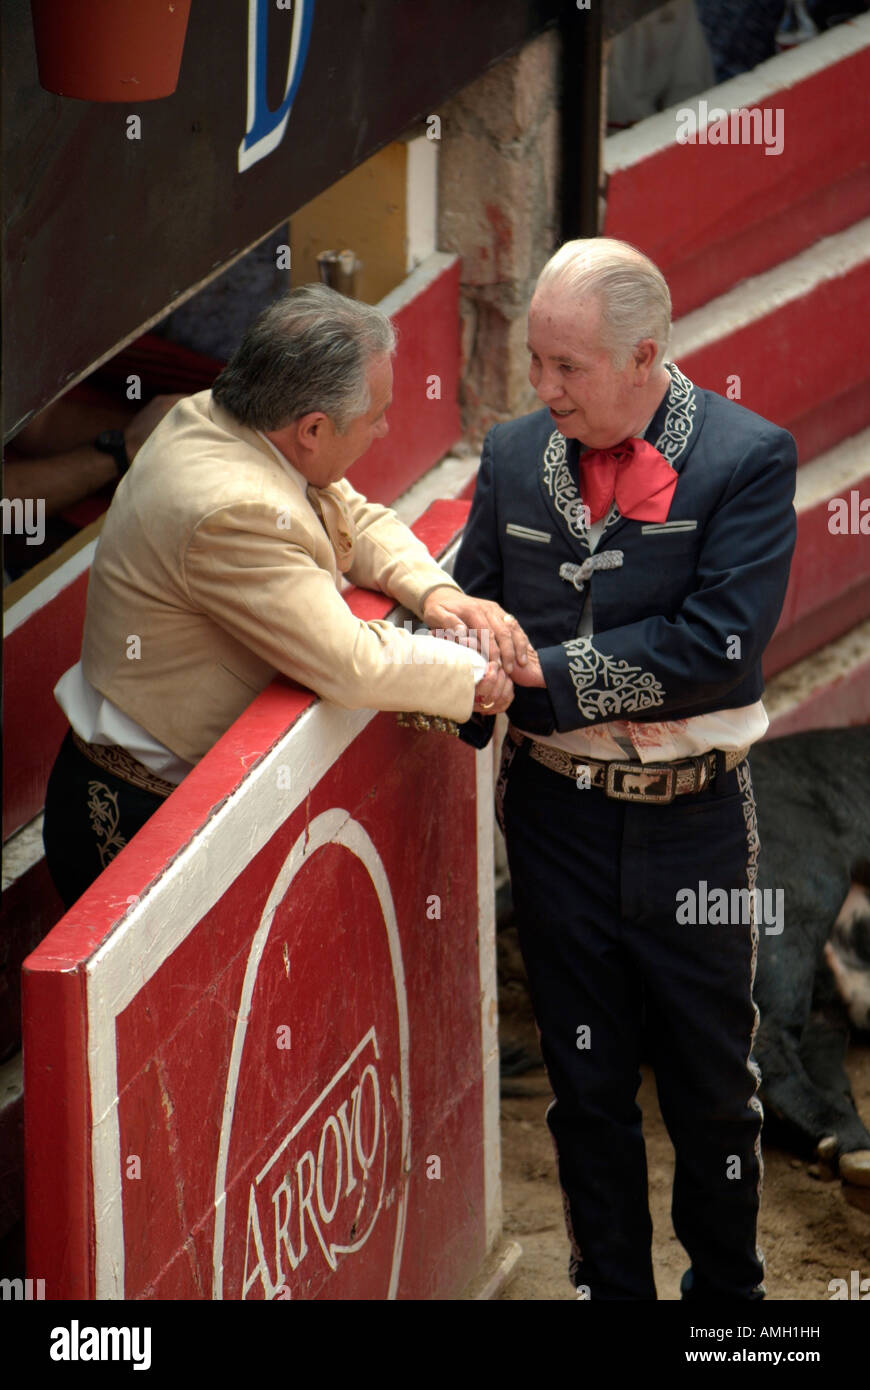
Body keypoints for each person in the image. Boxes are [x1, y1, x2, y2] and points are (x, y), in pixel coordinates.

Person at [453, 237, 798, 1301]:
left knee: (710, 1088)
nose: (542, 389)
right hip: (554, 816)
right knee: (585, 1086)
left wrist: (533, 670)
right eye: (536, 362)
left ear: (645, 356)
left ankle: (729, 1306)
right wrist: (461, 669)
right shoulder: (515, 456)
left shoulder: (745, 456)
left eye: (569, 368)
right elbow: (469, 606)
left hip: (690, 818)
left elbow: (718, 649)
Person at [42, 284, 524, 909]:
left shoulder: (225, 417)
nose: (384, 428)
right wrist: (478, 674)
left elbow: (353, 514)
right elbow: (352, 663)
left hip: (160, 791)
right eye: (375, 414)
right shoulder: (236, 509)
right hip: (134, 816)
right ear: (313, 429)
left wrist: (433, 593)